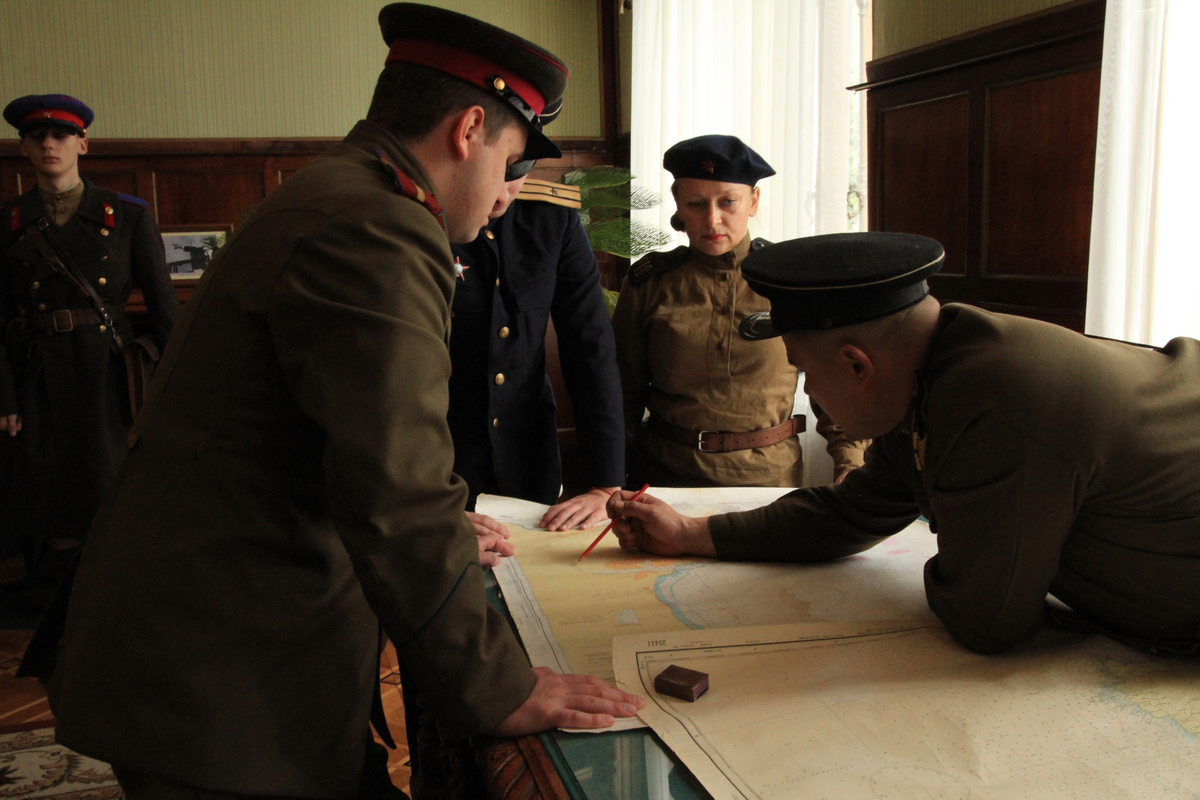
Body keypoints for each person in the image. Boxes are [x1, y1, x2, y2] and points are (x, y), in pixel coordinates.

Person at [46, 5, 642, 799]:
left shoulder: (337, 192)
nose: (506, 193)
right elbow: (396, 488)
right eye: (509, 161)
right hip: (221, 679)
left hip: (207, 645)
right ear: (470, 129)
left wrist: (422, 516)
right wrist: (500, 686)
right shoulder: (379, 227)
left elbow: (314, 444)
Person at [606, 231, 1200, 657]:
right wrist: (690, 534)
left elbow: (987, 619)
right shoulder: (940, 370)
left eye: (806, 373)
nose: (810, 393)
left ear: (857, 364)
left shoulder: (997, 399)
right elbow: (853, 510)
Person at [0, 94, 179, 615]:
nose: (49, 144)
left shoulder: (126, 215)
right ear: (24, 149)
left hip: (106, 371)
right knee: (46, 485)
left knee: (108, 480)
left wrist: (175, 386)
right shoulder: (7, 220)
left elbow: (166, 309)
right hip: (34, 371)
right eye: (38, 137)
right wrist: (4, 393)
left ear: (83, 143)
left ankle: (110, 591)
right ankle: (59, 597)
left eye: (60, 136)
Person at [611, 134, 866, 489]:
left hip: (767, 479)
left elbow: (835, 387)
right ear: (678, 206)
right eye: (696, 204)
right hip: (665, 477)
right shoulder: (651, 284)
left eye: (728, 202)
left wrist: (850, 465)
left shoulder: (792, 282)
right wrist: (606, 479)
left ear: (753, 201)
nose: (712, 220)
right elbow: (623, 391)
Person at [449, 134, 623, 532]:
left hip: (528, 459)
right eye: (495, 176)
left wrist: (605, 484)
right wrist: (420, 502)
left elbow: (590, 346)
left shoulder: (551, 216)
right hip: (443, 464)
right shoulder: (423, 218)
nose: (501, 196)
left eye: (516, 177)